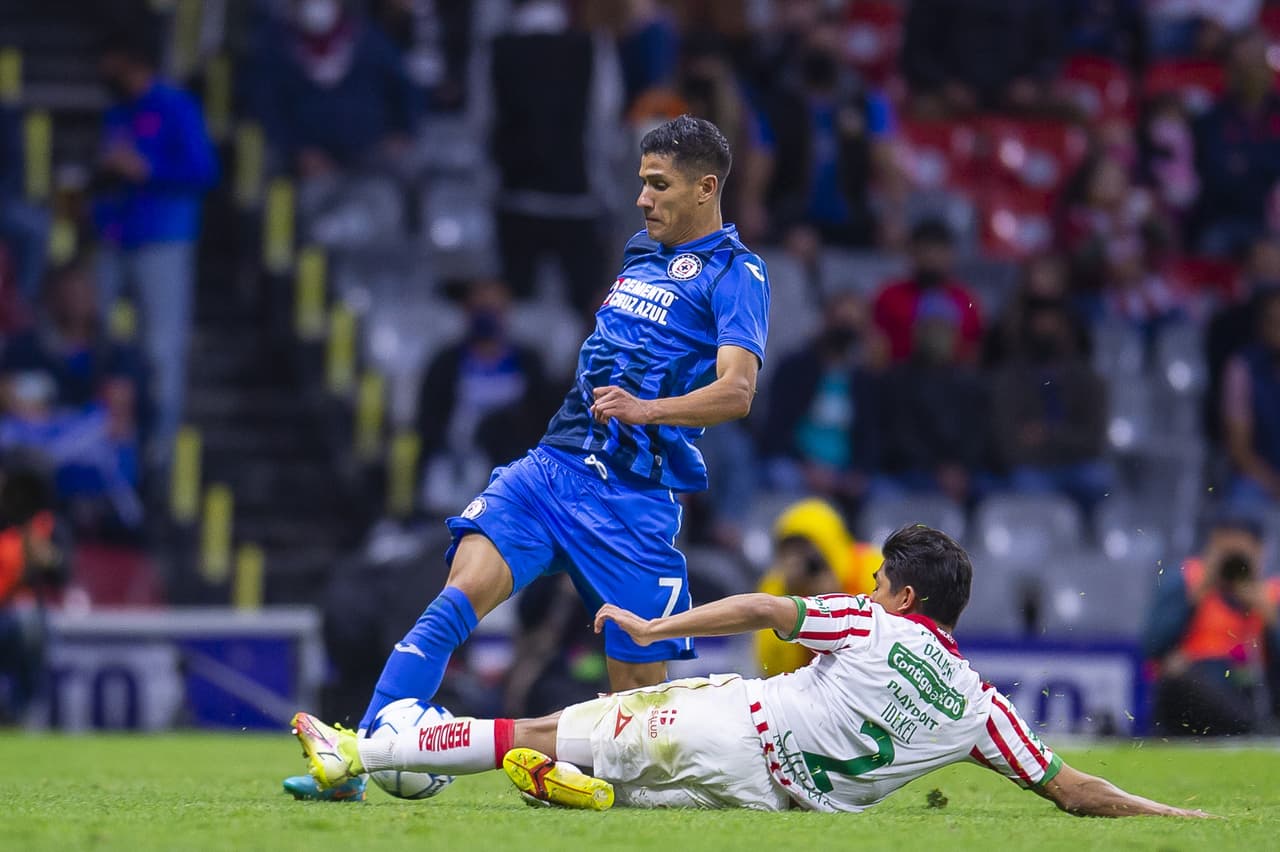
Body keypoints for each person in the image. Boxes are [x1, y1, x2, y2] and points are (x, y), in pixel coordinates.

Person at [284, 114, 769, 800]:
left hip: (631, 502)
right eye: (640, 184)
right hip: (552, 467)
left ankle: (583, 780)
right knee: (457, 594)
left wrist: (648, 410)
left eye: (658, 185)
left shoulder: (737, 274)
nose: (642, 198)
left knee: (642, 725)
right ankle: (354, 759)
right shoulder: (639, 252)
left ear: (705, 188)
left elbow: (737, 391)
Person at [293, 525, 1208, 817]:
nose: (871, 585)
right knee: (618, 788)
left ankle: (361, 755)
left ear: (902, 598)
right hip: (767, 801)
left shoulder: (873, 626)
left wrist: (659, 622)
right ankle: (580, 789)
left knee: (530, 732)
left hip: (730, 721)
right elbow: (1073, 788)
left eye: (881, 578)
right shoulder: (980, 709)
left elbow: (768, 610)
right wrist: (1175, 814)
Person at [92, 28, 217, 472]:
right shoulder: (117, 112)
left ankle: (160, 457)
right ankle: (107, 444)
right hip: (114, 237)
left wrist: (148, 167)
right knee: (102, 340)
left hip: (164, 239)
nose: (101, 70)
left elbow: (205, 170)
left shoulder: (175, 105)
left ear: (131, 60)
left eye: (108, 59)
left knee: (162, 349)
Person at [1145, 511, 1280, 736]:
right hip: (1199, 690)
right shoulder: (1186, 581)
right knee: (1175, 677)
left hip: (1252, 693)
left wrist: (1269, 616)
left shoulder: (1272, 595)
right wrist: (1195, 597)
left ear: (1260, 552)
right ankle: (1254, 730)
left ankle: (1254, 728)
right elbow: (1152, 646)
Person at [759, 291, 882, 516]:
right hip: (797, 465)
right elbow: (776, 428)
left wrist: (858, 472)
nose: (846, 331)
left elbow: (870, 434)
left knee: (885, 493)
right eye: (842, 322)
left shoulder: (863, 379)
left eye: (854, 325)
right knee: (781, 475)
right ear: (826, 321)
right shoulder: (794, 368)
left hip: (844, 471)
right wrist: (807, 468)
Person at [989, 302, 1112, 513]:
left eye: (1053, 324)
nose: (1046, 330)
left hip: (1076, 465)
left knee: (1099, 480)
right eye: (1040, 325)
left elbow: (1094, 440)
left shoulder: (1089, 380)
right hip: (1031, 467)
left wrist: (1048, 434)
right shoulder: (1008, 379)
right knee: (1025, 484)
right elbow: (1006, 442)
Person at [753, 497, 880, 677]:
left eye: (808, 550)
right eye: (790, 551)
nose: (801, 561)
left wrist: (837, 600)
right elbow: (771, 669)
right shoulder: (776, 586)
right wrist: (789, 608)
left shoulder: (870, 567)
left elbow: (887, 635)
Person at [872, 219, 982, 365]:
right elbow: (876, 346)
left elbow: (974, 351)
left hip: (953, 380)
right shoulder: (890, 297)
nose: (931, 258)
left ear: (951, 255)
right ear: (912, 253)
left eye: (938, 252)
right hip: (896, 379)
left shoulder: (966, 301)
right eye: (925, 250)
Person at [1221, 288, 1280, 509]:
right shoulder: (1242, 367)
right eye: (1274, 322)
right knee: (1242, 501)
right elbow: (1239, 448)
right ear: (1262, 326)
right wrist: (1273, 484)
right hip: (1258, 479)